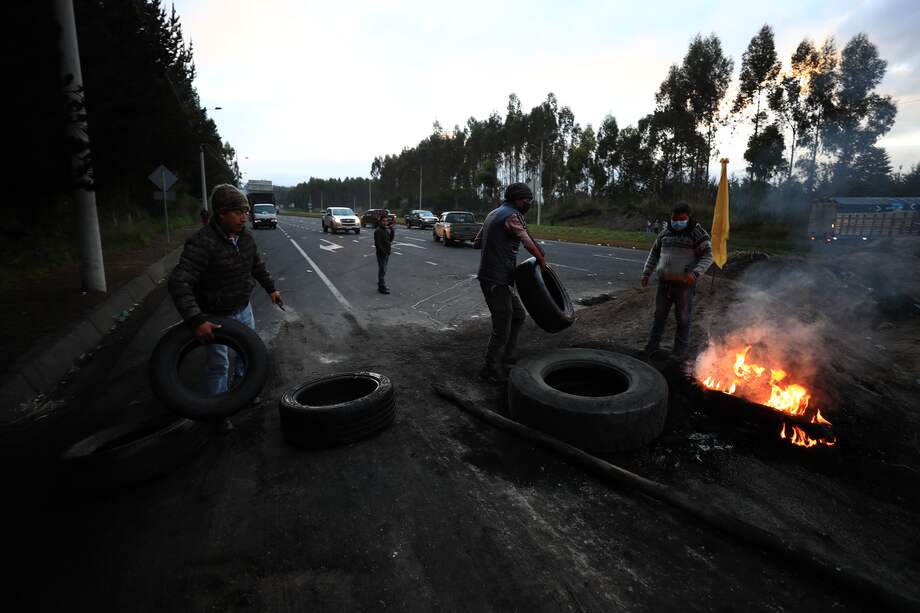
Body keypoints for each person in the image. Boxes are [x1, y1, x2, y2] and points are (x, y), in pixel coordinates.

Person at [168, 184, 283, 423]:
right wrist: (196, 319)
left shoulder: (245, 238)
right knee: (219, 365)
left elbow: (257, 266)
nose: (245, 217)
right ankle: (218, 413)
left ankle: (243, 394)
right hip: (215, 317)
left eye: (246, 212)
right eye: (238, 212)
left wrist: (271, 289)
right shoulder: (202, 243)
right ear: (221, 213)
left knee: (247, 356)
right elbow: (179, 282)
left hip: (243, 309)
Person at [473, 182, 548, 383]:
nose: (528, 203)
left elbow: (476, 242)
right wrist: (541, 259)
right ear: (517, 199)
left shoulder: (493, 214)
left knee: (518, 315)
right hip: (496, 280)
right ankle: (490, 369)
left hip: (496, 278)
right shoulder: (512, 216)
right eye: (527, 200)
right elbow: (527, 240)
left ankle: (507, 357)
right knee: (502, 326)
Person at [640, 201, 713, 360]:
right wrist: (646, 273)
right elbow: (654, 253)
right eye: (674, 218)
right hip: (664, 283)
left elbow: (708, 256)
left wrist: (695, 274)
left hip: (684, 285)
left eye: (681, 219)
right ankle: (652, 347)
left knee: (683, 318)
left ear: (688, 217)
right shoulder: (665, 233)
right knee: (659, 315)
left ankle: (678, 353)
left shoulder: (698, 234)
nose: (677, 222)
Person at [374, 212, 394, 294]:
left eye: (386, 221)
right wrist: (384, 252)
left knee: (383, 270)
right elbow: (378, 244)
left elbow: (390, 240)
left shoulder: (385, 230)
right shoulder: (378, 231)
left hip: (386, 253)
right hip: (381, 254)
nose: (385, 222)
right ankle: (382, 287)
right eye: (383, 221)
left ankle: (381, 285)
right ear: (380, 221)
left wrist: (392, 230)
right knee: (382, 270)